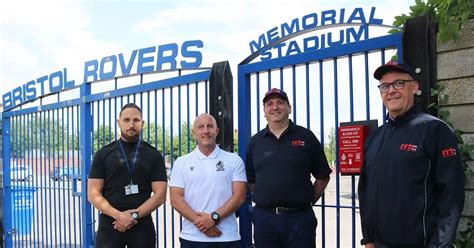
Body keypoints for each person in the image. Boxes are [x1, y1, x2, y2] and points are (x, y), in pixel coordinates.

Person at [358, 61, 465, 247]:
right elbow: (365, 191)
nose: (391, 90)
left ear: (414, 87)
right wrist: (368, 239)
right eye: (384, 86)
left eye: (398, 83)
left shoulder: (434, 130)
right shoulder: (374, 138)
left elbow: (451, 195)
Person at [245, 88, 332, 248]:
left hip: (300, 218)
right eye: (269, 104)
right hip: (265, 219)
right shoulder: (255, 142)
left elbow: (322, 176)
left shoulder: (306, 137)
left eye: (280, 102)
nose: (275, 107)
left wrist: (308, 200)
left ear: (289, 108)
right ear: (264, 111)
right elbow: (251, 180)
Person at [87, 103, 167, 247]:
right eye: (126, 120)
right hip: (110, 223)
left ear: (142, 123)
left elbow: (160, 195)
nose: (131, 124)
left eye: (136, 120)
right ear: (119, 122)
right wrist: (119, 216)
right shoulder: (103, 154)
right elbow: (93, 194)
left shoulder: (153, 155)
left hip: (141, 225)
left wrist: (133, 216)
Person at [169, 113, 247, 248]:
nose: (206, 131)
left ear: (216, 131)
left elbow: (239, 196)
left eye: (210, 126)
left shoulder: (234, 160)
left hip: (227, 237)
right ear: (194, 132)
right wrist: (202, 222)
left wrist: (213, 218)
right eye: (201, 127)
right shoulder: (182, 162)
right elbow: (176, 198)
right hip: (191, 237)